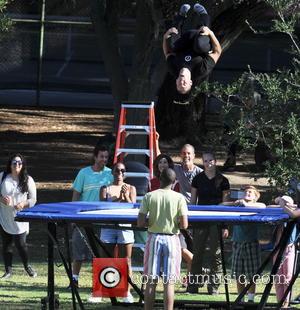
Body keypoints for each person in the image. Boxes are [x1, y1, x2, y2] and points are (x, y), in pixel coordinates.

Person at [137, 168, 188, 310]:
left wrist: (151, 222)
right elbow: (184, 224)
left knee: (150, 281)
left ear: (159, 179)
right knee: (169, 282)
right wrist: (174, 223)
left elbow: (140, 222)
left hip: (154, 237)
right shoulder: (179, 198)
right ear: (174, 181)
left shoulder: (149, 196)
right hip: (172, 239)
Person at [70, 144, 113, 289]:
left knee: (100, 252)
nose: (104, 160)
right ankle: (74, 280)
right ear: (95, 157)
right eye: (101, 156)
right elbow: (75, 195)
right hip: (83, 218)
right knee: (78, 251)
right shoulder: (83, 173)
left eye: (106, 157)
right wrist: (73, 216)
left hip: (102, 219)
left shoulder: (110, 174)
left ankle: (100, 283)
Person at [188, 152, 230, 294]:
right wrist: (190, 222)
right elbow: (193, 202)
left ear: (215, 161)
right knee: (197, 252)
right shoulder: (197, 179)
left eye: (210, 160)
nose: (208, 163)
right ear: (203, 162)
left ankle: (213, 287)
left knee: (215, 254)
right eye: (205, 161)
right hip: (200, 220)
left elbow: (226, 204)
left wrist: (225, 225)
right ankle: (193, 286)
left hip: (217, 221)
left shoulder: (223, 180)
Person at [163, 3, 222, 102]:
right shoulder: (201, 70)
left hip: (185, 40)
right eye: (184, 84)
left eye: (179, 84)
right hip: (200, 39)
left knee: (172, 46)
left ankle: (181, 15)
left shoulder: (173, 68)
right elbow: (217, 51)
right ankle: (203, 15)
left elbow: (167, 52)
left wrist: (165, 37)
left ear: (176, 81)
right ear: (190, 82)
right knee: (200, 46)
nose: (182, 82)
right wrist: (210, 33)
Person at [99, 162, 136, 303]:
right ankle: (102, 291)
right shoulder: (105, 188)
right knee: (105, 259)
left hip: (125, 226)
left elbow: (132, 207)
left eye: (122, 171)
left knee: (125, 261)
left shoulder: (131, 188)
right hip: (108, 225)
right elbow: (102, 206)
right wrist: (119, 197)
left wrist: (125, 196)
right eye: (117, 171)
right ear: (112, 172)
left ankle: (126, 292)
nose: (120, 174)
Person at [224, 185, 266, 303]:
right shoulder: (239, 205)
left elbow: (263, 206)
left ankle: (251, 299)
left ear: (255, 196)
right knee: (239, 274)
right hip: (237, 243)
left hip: (251, 243)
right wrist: (234, 203)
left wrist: (246, 204)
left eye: (250, 192)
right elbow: (221, 205)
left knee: (252, 273)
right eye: (245, 192)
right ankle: (240, 298)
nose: (247, 193)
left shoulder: (257, 206)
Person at [0, 153, 37, 279]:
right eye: (14, 163)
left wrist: (23, 204)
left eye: (19, 163)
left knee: (21, 244)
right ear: (10, 165)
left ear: (22, 165)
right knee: (6, 244)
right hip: (5, 217)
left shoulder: (28, 179)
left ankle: (27, 266)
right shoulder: (2, 177)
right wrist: (1, 199)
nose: (17, 165)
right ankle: (8, 271)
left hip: (20, 218)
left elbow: (33, 200)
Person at [269, 196, 299, 308]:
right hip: (277, 248)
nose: (284, 204)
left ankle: (286, 303)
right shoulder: (277, 212)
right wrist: (279, 201)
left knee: (288, 276)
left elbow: (293, 212)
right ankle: (279, 301)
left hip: (289, 248)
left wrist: (284, 205)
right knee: (278, 276)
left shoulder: (294, 211)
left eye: (287, 202)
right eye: (283, 202)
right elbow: (269, 206)